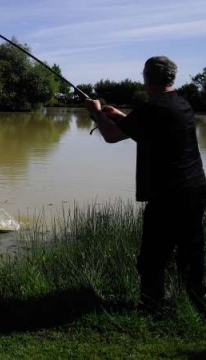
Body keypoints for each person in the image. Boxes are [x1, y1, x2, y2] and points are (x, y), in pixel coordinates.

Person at [85, 56, 206, 314]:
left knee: (152, 257)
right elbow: (144, 129)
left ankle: (150, 308)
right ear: (171, 78)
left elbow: (112, 136)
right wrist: (120, 115)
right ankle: (197, 305)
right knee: (191, 253)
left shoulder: (153, 109)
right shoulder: (182, 104)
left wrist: (96, 112)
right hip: (194, 189)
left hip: (168, 195)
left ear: (147, 77)